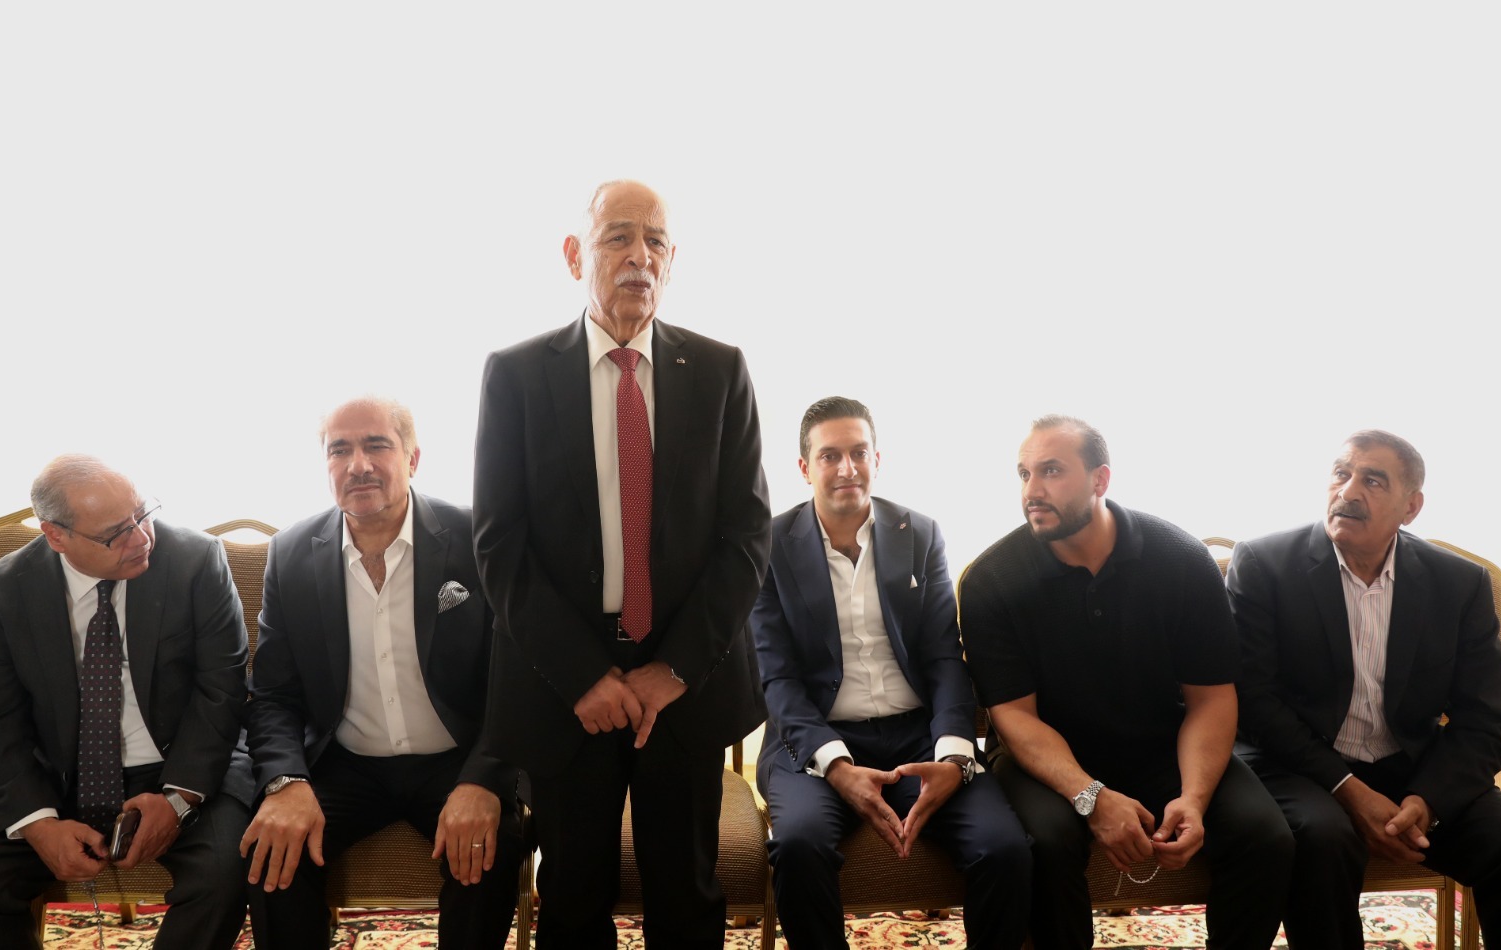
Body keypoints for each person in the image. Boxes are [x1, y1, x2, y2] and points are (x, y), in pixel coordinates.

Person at [473, 180, 772, 948]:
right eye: (618, 237)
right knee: (573, 894)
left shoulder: (720, 370)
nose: (640, 256)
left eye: (656, 241)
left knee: (687, 892)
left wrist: (673, 669)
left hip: (684, 682)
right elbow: (500, 544)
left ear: (673, 260)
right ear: (575, 255)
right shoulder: (516, 375)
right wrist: (582, 676)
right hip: (563, 684)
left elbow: (746, 537)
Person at [958, 415, 1292, 950]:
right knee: (1046, 843)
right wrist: (1090, 797)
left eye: (1051, 471)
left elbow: (1211, 698)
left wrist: (1194, 798)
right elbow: (1014, 716)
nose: (1032, 490)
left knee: (1266, 837)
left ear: (1100, 479)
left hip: (1160, 744)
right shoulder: (992, 580)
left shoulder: (1182, 560)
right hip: (1042, 756)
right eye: (1024, 474)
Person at [1227, 429, 1501, 949]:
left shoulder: (1458, 584)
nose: (1348, 491)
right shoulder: (1266, 565)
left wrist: (1429, 801)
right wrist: (1348, 791)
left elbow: (1486, 717)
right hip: (1300, 765)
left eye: (1373, 481)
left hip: (1411, 766)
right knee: (1323, 839)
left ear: (1411, 507)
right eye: (1341, 473)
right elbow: (1254, 702)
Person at [240, 396, 524, 949]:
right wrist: (285, 782)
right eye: (339, 450)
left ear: (413, 459)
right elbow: (273, 694)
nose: (358, 465)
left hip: (457, 757)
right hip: (346, 762)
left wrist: (484, 780)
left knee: (489, 855)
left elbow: (515, 680)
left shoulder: (477, 538)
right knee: (271, 854)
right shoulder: (291, 554)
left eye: (376, 446)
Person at [752, 396, 1031, 949]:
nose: (847, 468)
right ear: (805, 468)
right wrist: (837, 767)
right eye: (829, 456)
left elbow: (944, 657)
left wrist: (954, 756)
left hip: (918, 734)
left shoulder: (918, 533)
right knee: (800, 846)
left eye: (859, 453)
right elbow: (777, 678)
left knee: (1004, 848)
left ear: (877, 459)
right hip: (812, 742)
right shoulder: (770, 546)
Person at [0, 455, 251, 950]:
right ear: (56, 535)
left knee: (223, 878)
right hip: (56, 772)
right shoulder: (5, 589)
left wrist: (178, 800)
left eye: (142, 514)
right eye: (115, 533)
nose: (141, 538)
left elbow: (222, 690)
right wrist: (39, 825)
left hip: (179, 763)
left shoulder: (196, 561)